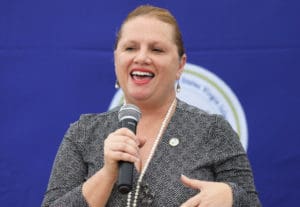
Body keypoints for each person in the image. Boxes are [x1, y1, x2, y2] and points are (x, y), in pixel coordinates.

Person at [42, 5, 261, 207]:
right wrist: (107, 174)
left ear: (180, 65)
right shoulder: (83, 133)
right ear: (116, 58)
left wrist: (231, 196)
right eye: (130, 48)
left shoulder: (213, 130)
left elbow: (250, 202)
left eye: (157, 50)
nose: (142, 57)